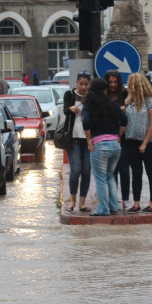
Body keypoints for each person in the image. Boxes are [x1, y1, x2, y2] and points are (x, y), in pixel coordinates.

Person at [83, 77, 127, 216]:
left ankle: (103, 209)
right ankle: (114, 206)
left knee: (100, 178)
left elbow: (86, 122)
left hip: (100, 145)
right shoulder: (112, 104)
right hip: (115, 145)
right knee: (109, 176)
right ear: (104, 90)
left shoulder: (88, 104)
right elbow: (124, 119)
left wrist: (89, 140)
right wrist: (119, 136)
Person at [123, 73, 152, 213]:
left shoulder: (151, 101)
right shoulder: (129, 101)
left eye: (132, 85)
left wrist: (144, 143)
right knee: (136, 173)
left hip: (150, 142)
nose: (129, 87)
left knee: (151, 171)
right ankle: (136, 203)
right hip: (131, 141)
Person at [63, 73, 92, 212]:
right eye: (81, 84)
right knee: (76, 170)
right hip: (72, 138)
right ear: (76, 83)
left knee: (86, 170)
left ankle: (82, 202)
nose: (83, 87)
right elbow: (64, 109)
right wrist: (70, 109)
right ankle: (72, 201)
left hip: (88, 139)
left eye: (86, 84)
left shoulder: (92, 97)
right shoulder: (69, 94)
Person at [105, 70, 130, 210]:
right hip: (107, 136)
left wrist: (125, 106)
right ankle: (113, 200)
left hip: (124, 138)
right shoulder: (103, 95)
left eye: (115, 82)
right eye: (110, 82)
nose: (113, 85)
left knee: (124, 170)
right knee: (110, 172)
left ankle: (126, 199)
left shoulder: (125, 94)